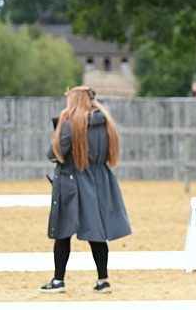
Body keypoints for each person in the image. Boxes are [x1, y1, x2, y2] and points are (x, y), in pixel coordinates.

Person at [40, 87, 132, 293]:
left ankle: (58, 279)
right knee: (96, 231)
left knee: (62, 230)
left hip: (73, 178)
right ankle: (102, 279)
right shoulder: (105, 123)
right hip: (99, 178)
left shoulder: (70, 122)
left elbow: (54, 152)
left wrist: (56, 133)